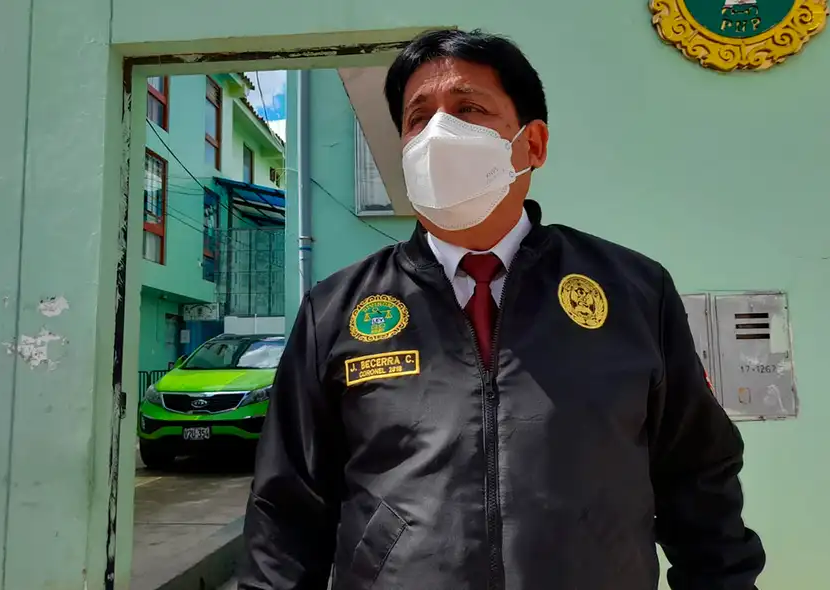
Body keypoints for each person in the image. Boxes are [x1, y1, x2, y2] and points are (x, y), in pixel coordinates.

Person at [240, 29, 766, 590]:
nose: (439, 133)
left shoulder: (633, 291)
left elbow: (697, 480)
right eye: (418, 119)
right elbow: (285, 513)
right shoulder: (336, 310)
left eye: (469, 108)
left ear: (532, 144)